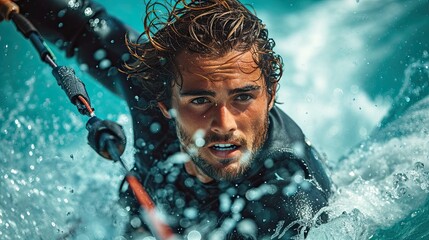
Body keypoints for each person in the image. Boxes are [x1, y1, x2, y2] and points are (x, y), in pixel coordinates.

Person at [16, 0, 332, 239]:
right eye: (200, 101)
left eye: (243, 97)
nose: (223, 124)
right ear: (164, 101)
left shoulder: (291, 206)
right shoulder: (147, 84)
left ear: (271, 92)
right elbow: (81, 26)